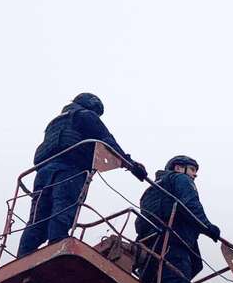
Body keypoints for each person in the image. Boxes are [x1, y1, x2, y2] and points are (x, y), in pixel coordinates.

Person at [17, 93, 148, 257]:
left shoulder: (56, 123)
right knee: (62, 209)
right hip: (69, 170)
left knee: (38, 217)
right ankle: (57, 250)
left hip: (43, 173)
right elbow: (107, 140)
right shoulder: (86, 116)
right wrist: (130, 164)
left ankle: (23, 255)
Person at [134, 155, 220, 283]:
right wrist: (208, 227)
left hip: (150, 244)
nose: (195, 175)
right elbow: (190, 204)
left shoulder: (151, 189)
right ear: (179, 167)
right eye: (192, 169)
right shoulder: (181, 179)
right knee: (177, 281)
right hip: (175, 243)